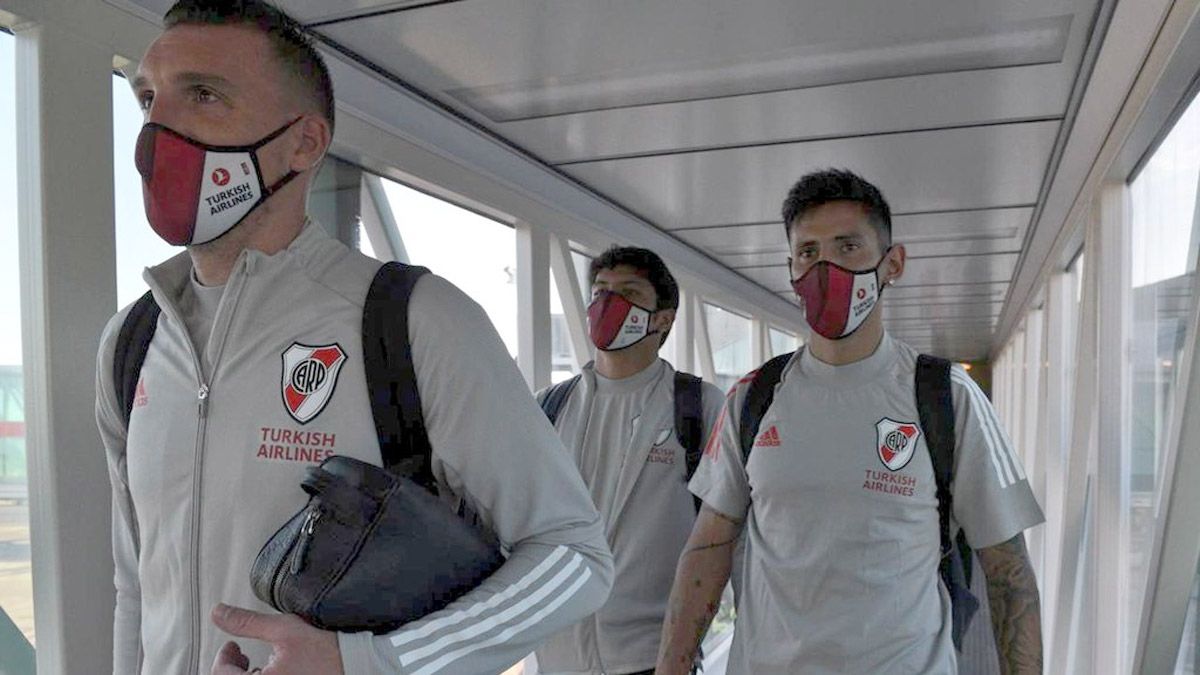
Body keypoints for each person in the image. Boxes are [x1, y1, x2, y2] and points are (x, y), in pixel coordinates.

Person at [94, 2, 613, 673]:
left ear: (305, 143)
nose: (157, 129)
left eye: (203, 95)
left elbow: (575, 556)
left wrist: (371, 661)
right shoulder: (132, 342)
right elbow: (136, 586)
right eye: (148, 98)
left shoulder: (414, 320)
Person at [655, 169, 1045, 674]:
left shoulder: (946, 396)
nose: (825, 268)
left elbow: (1009, 574)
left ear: (892, 264)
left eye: (848, 247)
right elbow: (708, 548)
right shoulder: (753, 397)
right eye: (808, 252)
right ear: (791, 270)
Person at [532, 247, 724, 675]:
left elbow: (726, 532)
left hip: (653, 656)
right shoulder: (548, 407)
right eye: (600, 291)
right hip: (556, 655)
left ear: (663, 319)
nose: (607, 303)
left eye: (629, 293)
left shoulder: (697, 406)